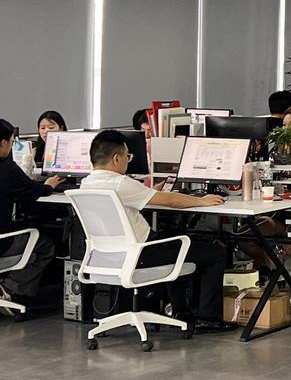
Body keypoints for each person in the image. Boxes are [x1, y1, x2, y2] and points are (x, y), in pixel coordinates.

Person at [79, 130, 236, 333]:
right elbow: (170, 200)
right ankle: (208, 318)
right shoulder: (120, 183)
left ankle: (181, 312)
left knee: (177, 242)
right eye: (127, 156)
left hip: (107, 257)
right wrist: (201, 200)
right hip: (142, 253)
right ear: (116, 159)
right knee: (214, 252)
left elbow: (139, 196)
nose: (128, 161)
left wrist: (149, 191)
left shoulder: (86, 183)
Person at [0, 119, 61, 314]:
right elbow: (35, 191)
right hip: (2, 243)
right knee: (45, 245)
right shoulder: (6, 168)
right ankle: (10, 290)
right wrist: (49, 185)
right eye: (11, 142)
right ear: (3, 143)